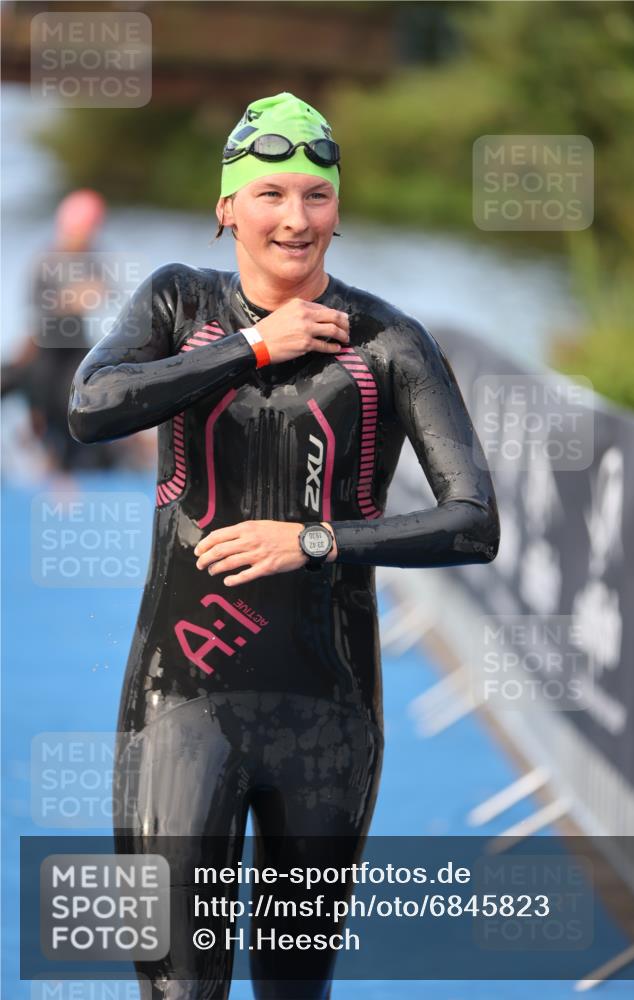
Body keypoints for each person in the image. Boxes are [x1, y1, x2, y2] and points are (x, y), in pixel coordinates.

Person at [68, 92, 500, 999]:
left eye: (315, 195)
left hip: (328, 712)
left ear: (337, 211)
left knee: (294, 988)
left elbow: (473, 522)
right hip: (178, 700)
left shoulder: (387, 343)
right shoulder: (178, 302)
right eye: (269, 194)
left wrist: (313, 541)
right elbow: (90, 408)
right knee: (176, 986)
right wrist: (253, 348)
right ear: (227, 206)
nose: (293, 219)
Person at [1, 189, 121, 475]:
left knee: (77, 403)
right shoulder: (46, 260)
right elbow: (41, 315)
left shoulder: (91, 260)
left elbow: (105, 292)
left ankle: (70, 462)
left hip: (74, 351)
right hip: (47, 348)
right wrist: (69, 300)